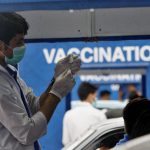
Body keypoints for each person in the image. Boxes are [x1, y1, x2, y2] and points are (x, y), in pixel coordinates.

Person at [0, 13, 81, 150]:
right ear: (2, 45)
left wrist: (55, 80)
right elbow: (27, 133)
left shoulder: (10, 73)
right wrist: (56, 95)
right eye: (18, 42)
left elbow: (34, 107)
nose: (23, 46)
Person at [62, 82, 107, 146]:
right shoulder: (99, 114)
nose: (95, 97)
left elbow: (65, 141)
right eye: (95, 94)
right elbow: (104, 139)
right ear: (90, 95)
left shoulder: (68, 114)